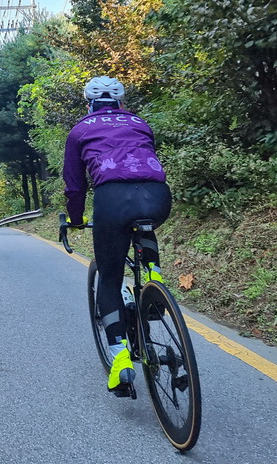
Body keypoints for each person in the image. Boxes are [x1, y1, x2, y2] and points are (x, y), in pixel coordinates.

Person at [62, 75, 171, 395]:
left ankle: (120, 359)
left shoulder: (80, 130)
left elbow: (75, 186)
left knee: (109, 279)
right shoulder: (139, 123)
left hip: (112, 200)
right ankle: (154, 276)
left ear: (89, 104)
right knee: (144, 222)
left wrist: (76, 219)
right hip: (158, 196)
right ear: (121, 103)